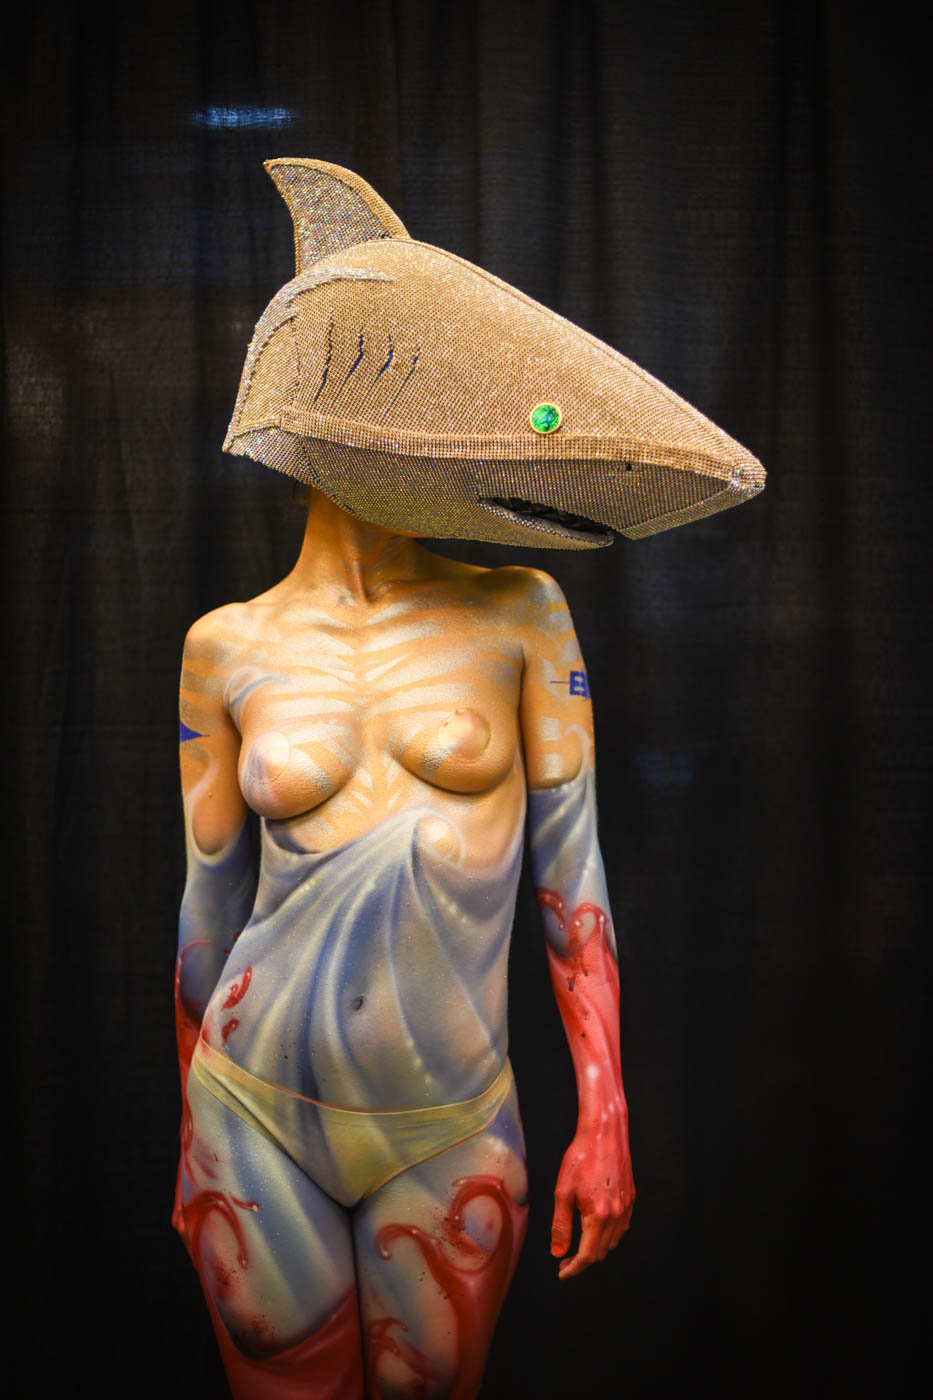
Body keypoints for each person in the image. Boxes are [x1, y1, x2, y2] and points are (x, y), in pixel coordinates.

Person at [172, 159, 764, 1399]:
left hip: (447, 1125)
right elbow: (206, 908)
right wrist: (188, 1121)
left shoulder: (522, 615)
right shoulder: (224, 646)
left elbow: (574, 879)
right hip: (250, 1111)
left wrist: (605, 1109)